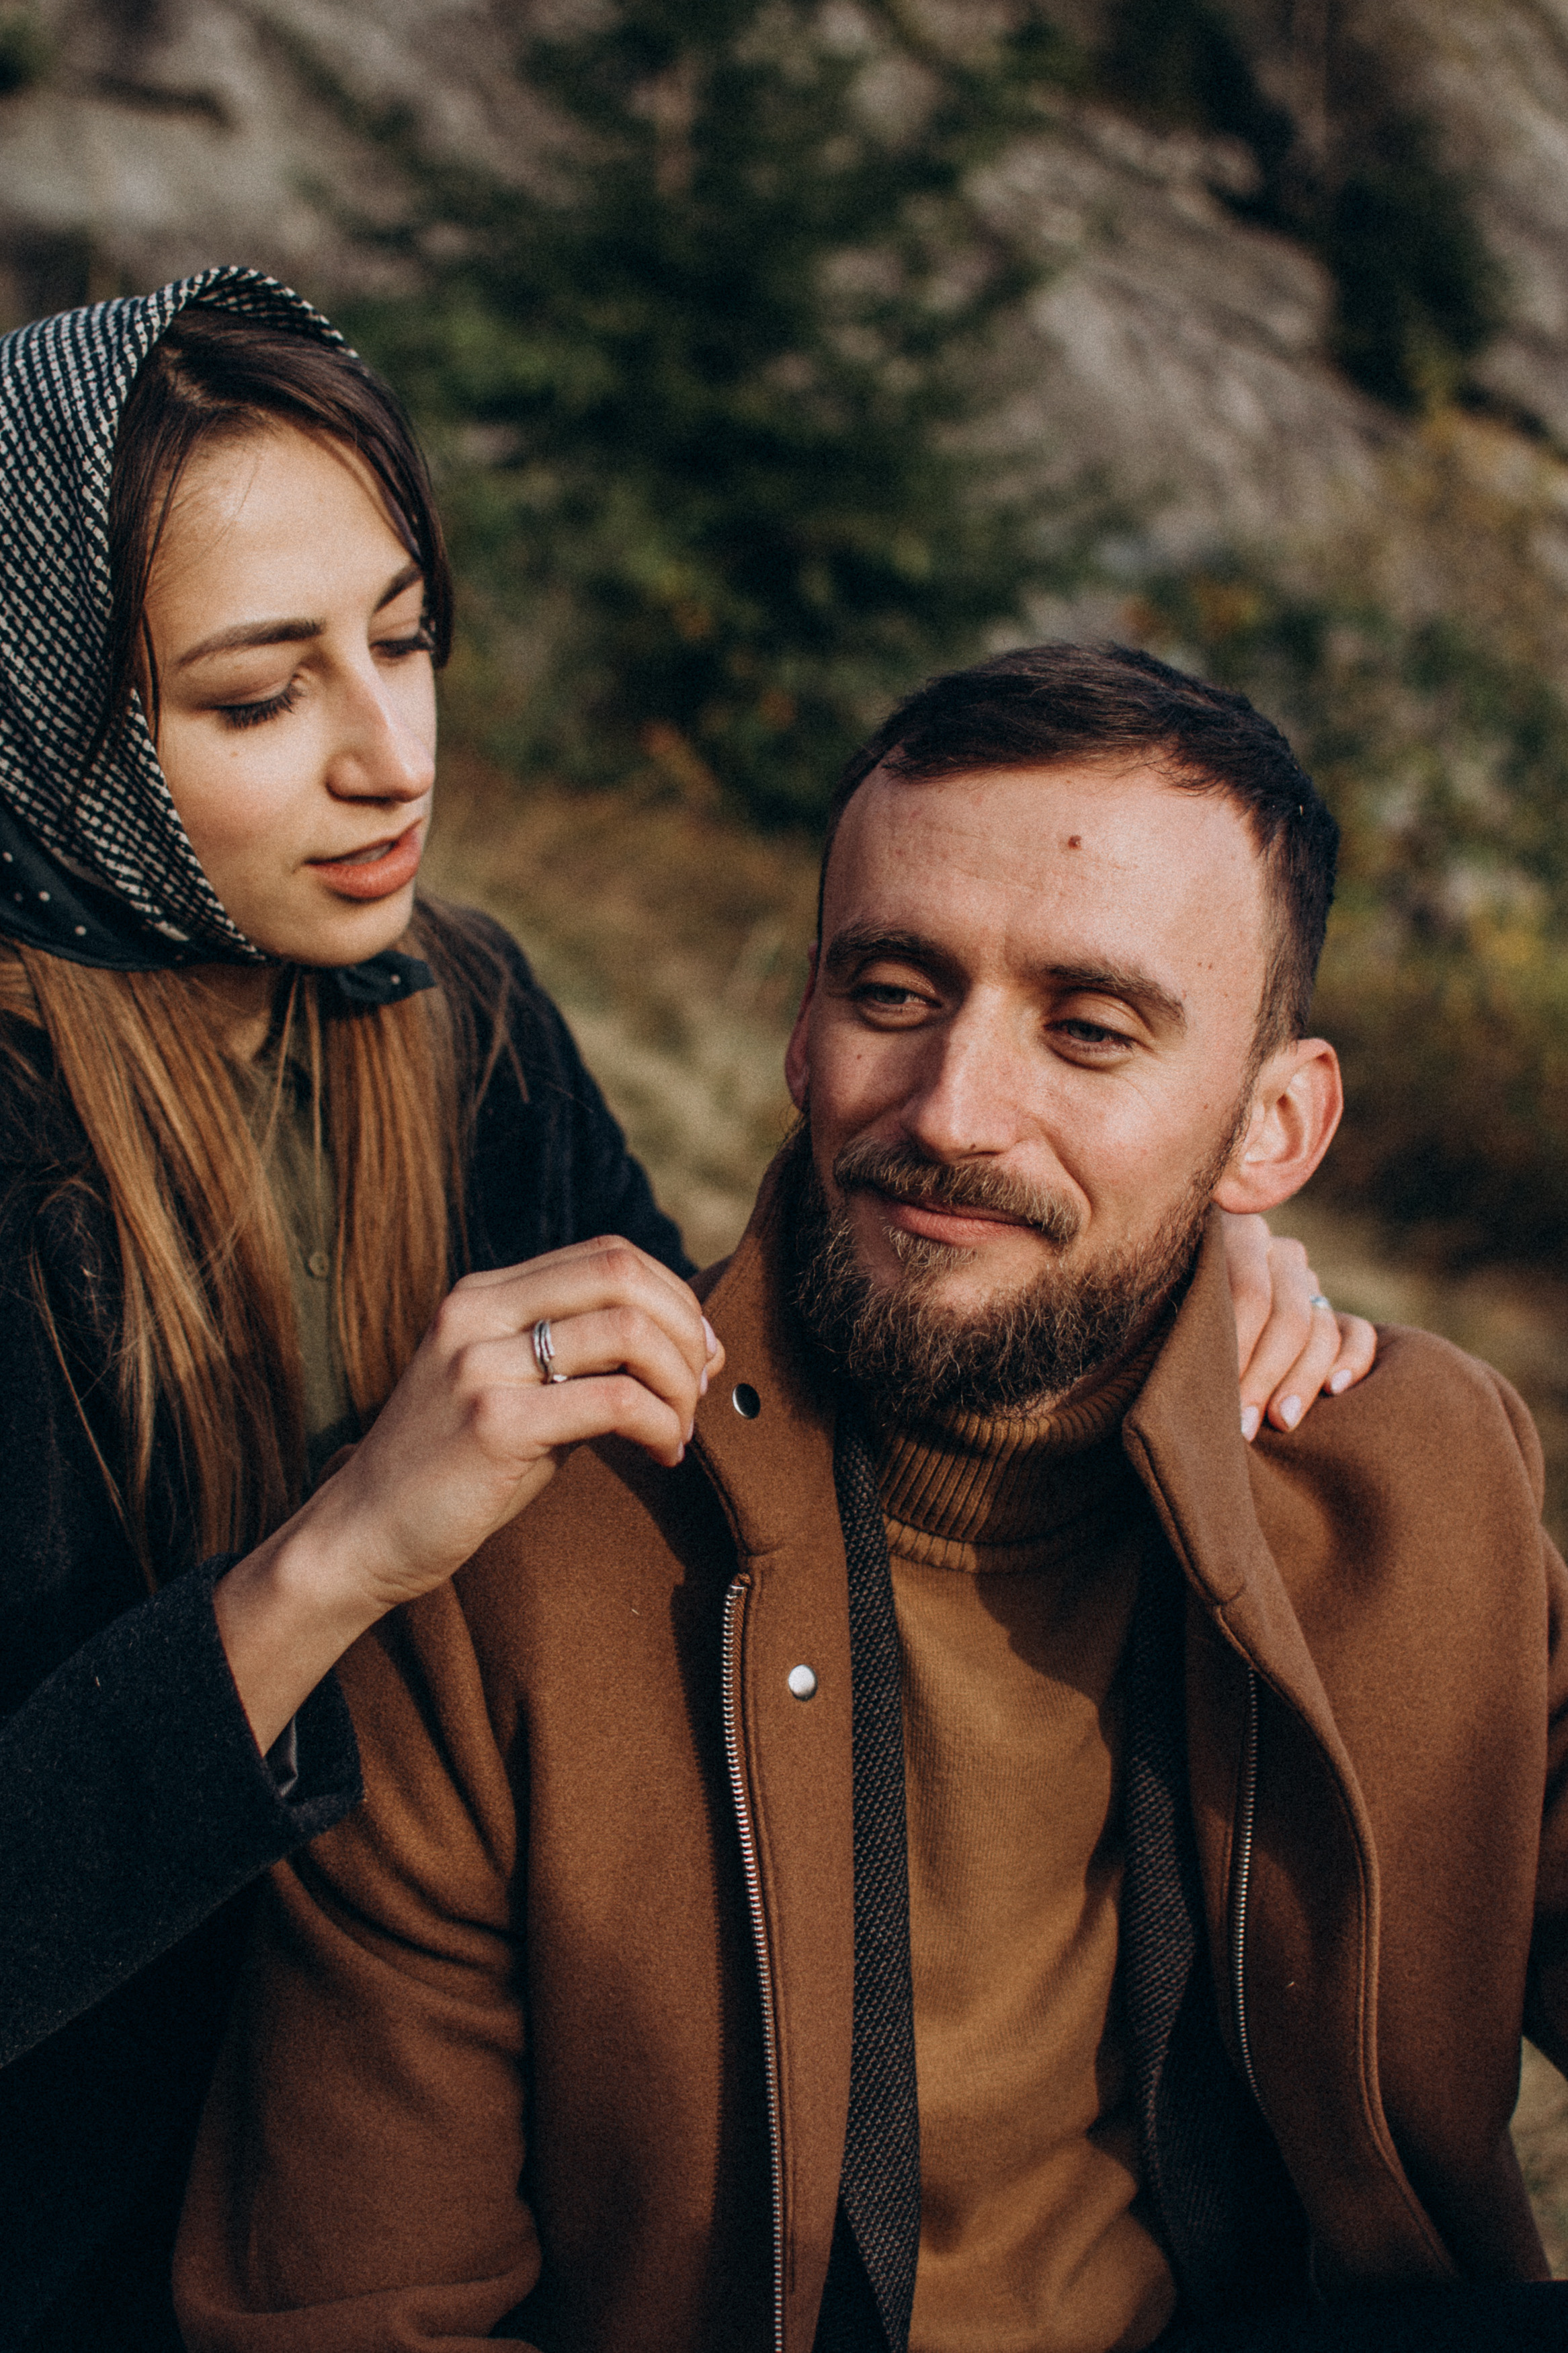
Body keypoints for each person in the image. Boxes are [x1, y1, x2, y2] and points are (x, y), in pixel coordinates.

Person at [0, 282, 1351, 2352]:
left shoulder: (455, 1021)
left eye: (407, 634)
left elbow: (730, 1356)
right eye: (259, 698)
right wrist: (337, 1555)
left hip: (469, 2154)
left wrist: (1158, 1236)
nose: (391, 751)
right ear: (52, 713)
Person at [177, 641, 1568, 2353]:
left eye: (1092, 1027)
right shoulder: (507, 1567)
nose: (956, 1112)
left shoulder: (1425, 1470)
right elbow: (345, 2313)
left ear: (1271, 1128)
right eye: (894, 992)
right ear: (800, 1026)